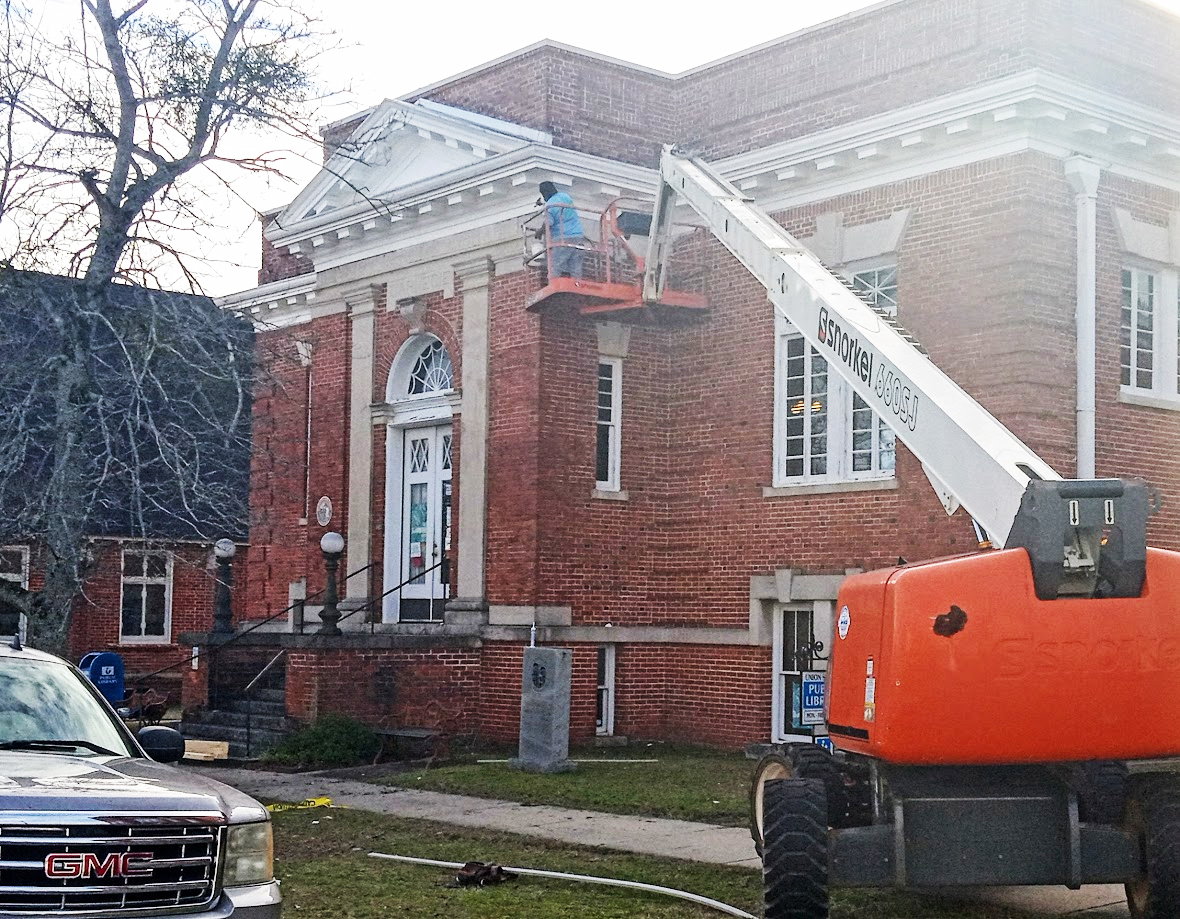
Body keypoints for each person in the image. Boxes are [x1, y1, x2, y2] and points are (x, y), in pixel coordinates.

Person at [537, 181, 585, 278]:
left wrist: (539, 232)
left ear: (544, 193)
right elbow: (557, 204)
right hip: (578, 236)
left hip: (563, 238)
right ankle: (577, 285)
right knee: (575, 267)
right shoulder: (565, 196)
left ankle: (553, 284)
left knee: (555, 266)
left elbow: (548, 223)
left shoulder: (549, 206)